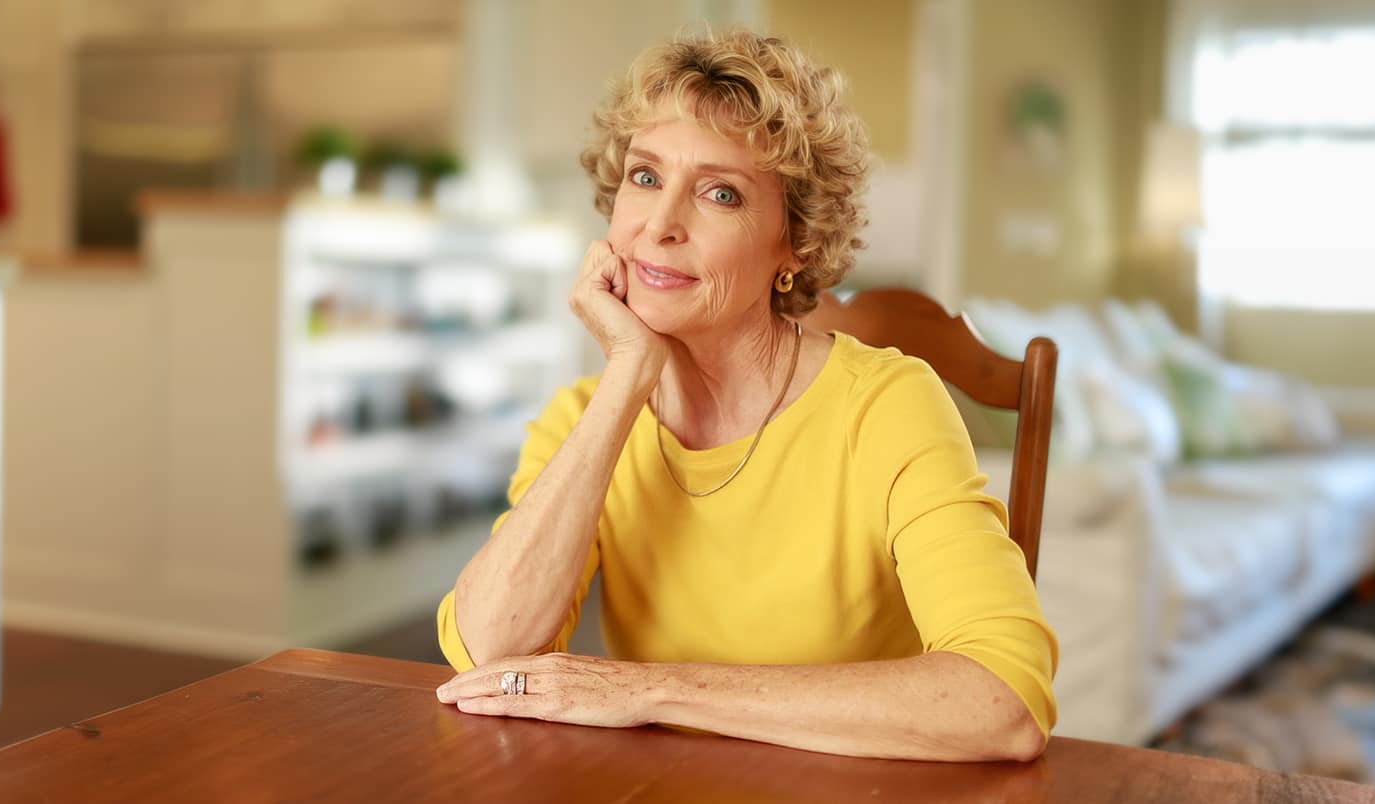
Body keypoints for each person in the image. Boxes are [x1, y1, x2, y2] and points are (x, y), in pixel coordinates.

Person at [432, 28, 1057, 762]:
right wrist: (628, 375)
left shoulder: (886, 405)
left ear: (795, 241)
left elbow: (1002, 702)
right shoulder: (583, 416)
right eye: (644, 177)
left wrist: (651, 691)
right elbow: (487, 654)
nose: (660, 226)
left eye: (719, 193)